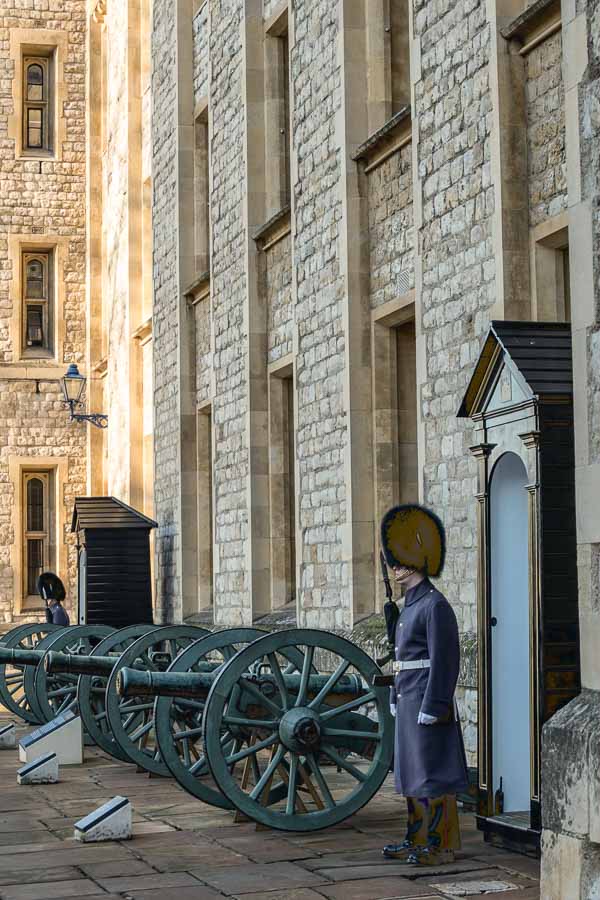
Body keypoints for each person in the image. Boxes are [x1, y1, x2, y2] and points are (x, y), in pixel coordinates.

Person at [380, 504, 468, 866]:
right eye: (394, 560)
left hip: (427, 701)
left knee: (434, 774)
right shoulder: (410, 607)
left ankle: (440, 844)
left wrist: (435, 705)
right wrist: (396, 696)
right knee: (412, 774)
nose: (395, 566)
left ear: (418, 558)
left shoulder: (435, 606)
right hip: (410, 697)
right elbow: (404, 658)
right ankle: (416, 836)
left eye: (401, 559)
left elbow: (445, 661)